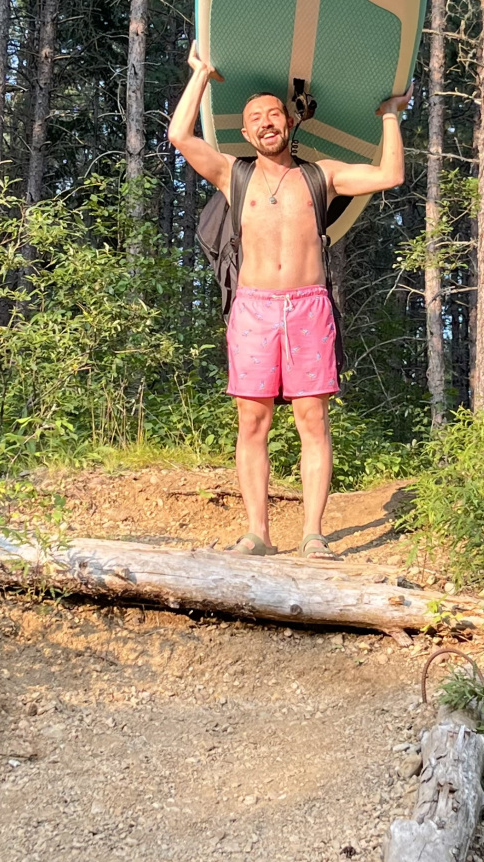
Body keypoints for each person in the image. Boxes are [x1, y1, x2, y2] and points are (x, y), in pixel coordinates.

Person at [168, 43, 411, 558]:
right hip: (253, 309)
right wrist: (201, 74)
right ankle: (257, 533)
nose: (265, 123)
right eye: (255, 118)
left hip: (308, 307)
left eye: (273, 114)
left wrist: (390, 115)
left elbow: (390, 175)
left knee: (312, 421)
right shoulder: (233, 175)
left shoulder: (321, 175)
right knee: (252, 422)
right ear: (245, 132)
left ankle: (313, 534)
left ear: (290, 121)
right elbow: (180, 136)